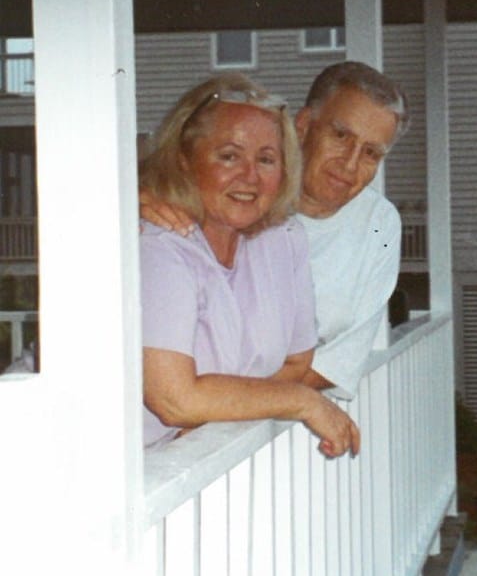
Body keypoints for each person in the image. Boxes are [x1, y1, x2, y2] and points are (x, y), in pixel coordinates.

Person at [140, 61, 410, 399]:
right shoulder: (233, 198)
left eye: (371, 153)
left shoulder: (378, 225)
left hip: (244, 431)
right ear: (304, 125)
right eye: (341, 136)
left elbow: (332, 364)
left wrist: (215, 412)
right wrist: (128, 196)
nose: (350, 163)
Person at [140, 72, 359, 456]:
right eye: (229, 156)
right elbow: (173, 401)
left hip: (193, 463)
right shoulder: (158, 243)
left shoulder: (283, 240)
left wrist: (212, 413)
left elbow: (296, 360)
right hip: (99, 472)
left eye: (267, 159)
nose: (250, 176)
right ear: (185, 161)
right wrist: (301, 401)